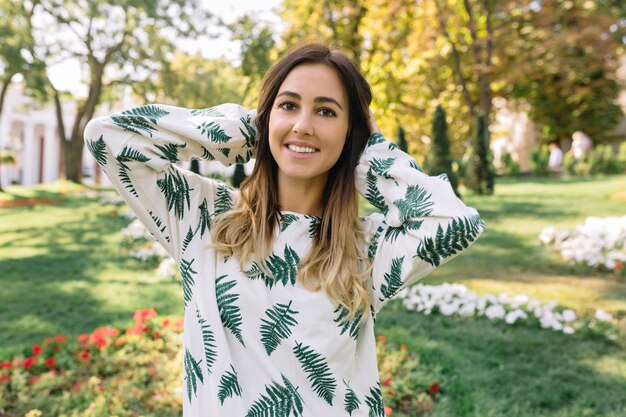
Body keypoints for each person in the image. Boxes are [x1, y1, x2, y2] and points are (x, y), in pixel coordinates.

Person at [84, 43, 483, 417]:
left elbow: (455, 223)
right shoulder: (202, 217)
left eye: (326, 112)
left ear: (350, 133)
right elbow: (109, 137)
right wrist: (251, 132)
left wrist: (370, 149)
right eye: (288, 105)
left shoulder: (367, 247)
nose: (303, 126)